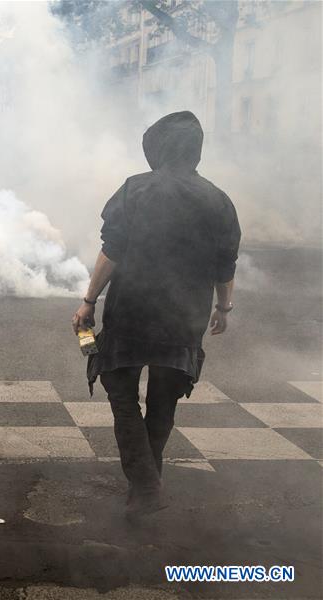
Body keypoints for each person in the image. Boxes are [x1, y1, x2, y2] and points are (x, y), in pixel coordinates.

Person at [71, 111, 240, 517]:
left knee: (123, 396)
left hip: (132, 312)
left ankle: (145, 486)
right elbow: (225, 264)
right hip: (184, 317)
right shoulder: (219, 200)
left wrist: (89, 300)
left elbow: (113, 249)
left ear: (158, 148)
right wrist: (224, 307)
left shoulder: (135, 190)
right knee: (163, 402)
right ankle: (148, 482)